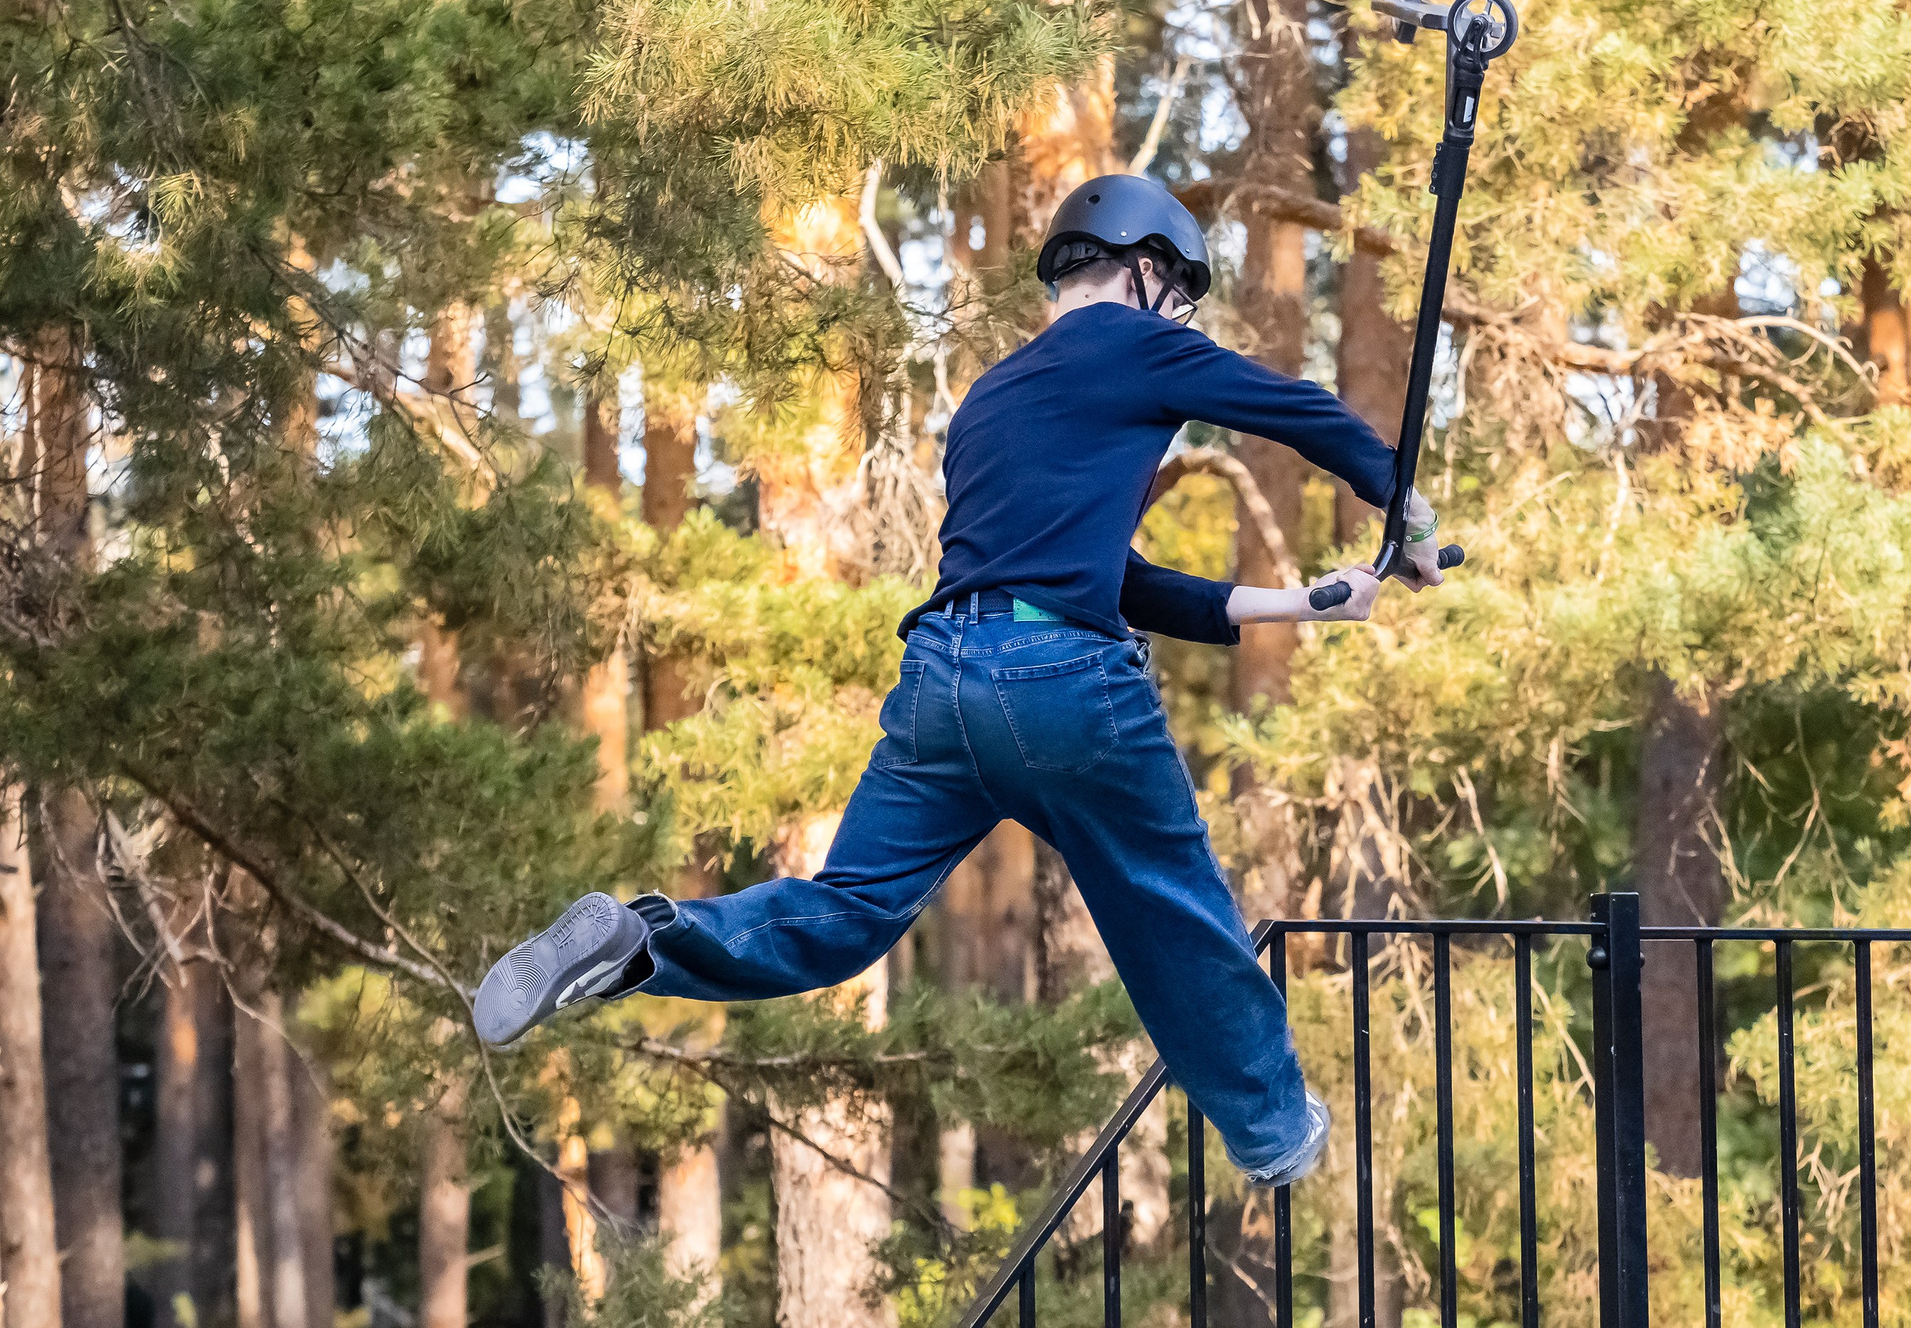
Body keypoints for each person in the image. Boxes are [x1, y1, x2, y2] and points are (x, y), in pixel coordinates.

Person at [472, 173, 1445, 1187]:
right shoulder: (1136, 341)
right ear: (1148, 269)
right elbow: (1296, 408)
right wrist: (1403, 512)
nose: (1182, 319)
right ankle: (1276, 1129)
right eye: (1181, 296)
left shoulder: (989, 401)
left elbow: (1118, 580)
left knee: (844, 913)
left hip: (945, 684)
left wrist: (1300, 605)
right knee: (1175, 905)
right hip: (1064, 681)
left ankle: (640, 943)